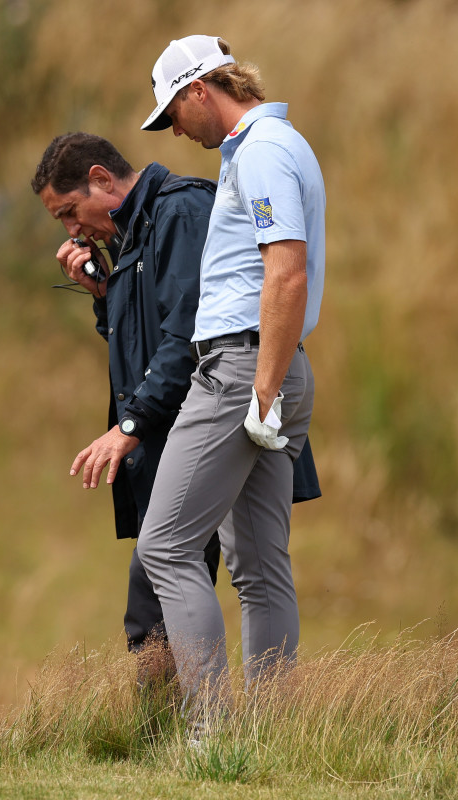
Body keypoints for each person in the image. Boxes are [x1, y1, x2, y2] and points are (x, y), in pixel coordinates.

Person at [30, 133, 320, 686]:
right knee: (245, 570)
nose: (71, 230)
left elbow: (188, 335)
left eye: (69, 212)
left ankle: (202, 733)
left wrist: (130, 426)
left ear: (100, 179)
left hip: (221, 402)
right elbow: (145, 339)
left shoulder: (182, 211)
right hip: (219, 403)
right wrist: (103, 292)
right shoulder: (140, 228)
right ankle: (260, 732)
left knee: (165, 562)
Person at [135, 35, 326, 722]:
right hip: (270, 363)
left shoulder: (266, 151)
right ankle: (269, 738)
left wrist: (262, 390)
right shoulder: (264, 148)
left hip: (246, 368)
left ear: (197, 91)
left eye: (172, 115)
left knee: (166, 545)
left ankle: (211, 732)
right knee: (258, 565)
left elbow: (288, 269)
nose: (175, 131)